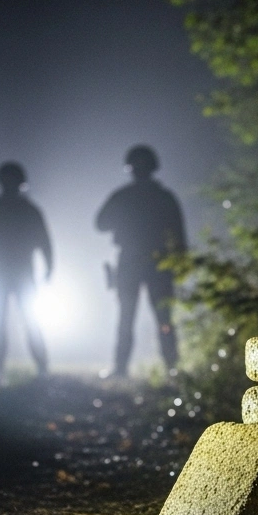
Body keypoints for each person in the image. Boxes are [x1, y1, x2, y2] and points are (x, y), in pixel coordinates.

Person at [95, 145, 187, 378]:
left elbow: (101, 223)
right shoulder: (163, 197)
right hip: (154, 262)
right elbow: (179, 235)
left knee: (133, 316)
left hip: (138, 261)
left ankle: (124, 367)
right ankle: (170, 367)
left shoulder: (124, 196)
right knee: (157, 317)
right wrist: (179, 264)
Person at [0, 161, 52, 378]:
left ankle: (0, 369)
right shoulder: (29, 209)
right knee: (27, 319)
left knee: (2, 321)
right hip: (20, 271)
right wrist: (49, 267)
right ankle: (40, 367)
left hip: (0, 271)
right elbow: (45, 242)